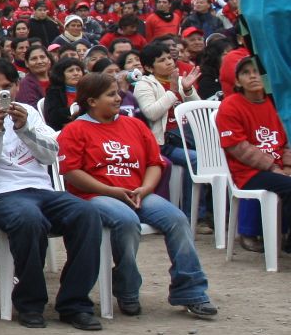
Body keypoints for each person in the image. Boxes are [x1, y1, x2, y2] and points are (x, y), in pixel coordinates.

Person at [0, 58, 103, 329]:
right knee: (28, 217)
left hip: (40, 190)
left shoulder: (29, 112)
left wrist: (25, 129)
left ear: (17, 85)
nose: (1, 94)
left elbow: (51, 156)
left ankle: (74, 303)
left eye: (7, 86)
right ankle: (30, 303)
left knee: (87, 213)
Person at [58, 70, 216, 319]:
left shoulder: (134, 125)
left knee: (176, 219)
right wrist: (111, 191)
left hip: (136, 192)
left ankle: (191, 291)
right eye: (111, 95)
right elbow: (71, 173)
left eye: (117, 93)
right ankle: (128, 287)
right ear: (91, 101)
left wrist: (145, 188)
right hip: (95, 196)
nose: (119, 98)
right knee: (126, 221)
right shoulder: (75, 130)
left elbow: (155, 162)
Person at [216, 52, 291, 255]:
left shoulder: (275, 103)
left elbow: (287, 141)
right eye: (246, 72)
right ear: (237, 80)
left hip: (278, 168)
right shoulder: (230, 106)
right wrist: (273, 167)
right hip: (248, 172)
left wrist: (287, 166)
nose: (253, 76)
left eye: (257, 71)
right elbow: (238, 147)